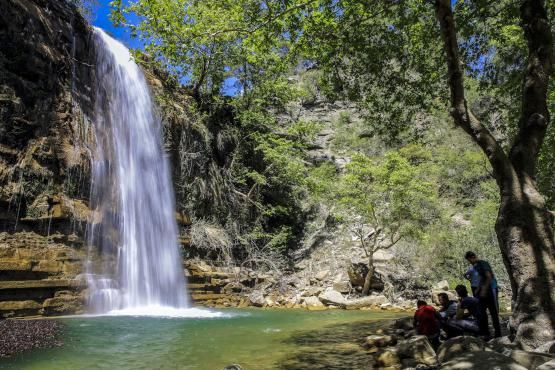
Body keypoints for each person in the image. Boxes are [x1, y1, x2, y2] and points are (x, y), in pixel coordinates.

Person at [464, 251, 501, 338]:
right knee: (481, 311)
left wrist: (483, 289)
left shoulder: (483, 263)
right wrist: (478, 288)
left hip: (491, 288)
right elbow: (482, 278)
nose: (470, 262)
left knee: (494, 312)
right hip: (483, 289)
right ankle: (486, 333)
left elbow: (488, 276)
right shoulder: (476, 266)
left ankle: (498, 334)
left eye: (469, 260)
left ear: (473, 257)